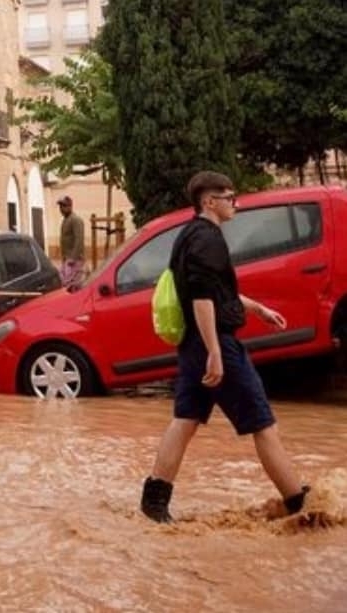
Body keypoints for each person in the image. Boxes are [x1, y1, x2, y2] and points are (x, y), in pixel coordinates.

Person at [140, 171, 309, 523]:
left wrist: (257, 308)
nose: (236, 203)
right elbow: (202, 299)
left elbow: (216, 290)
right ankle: (300, 506)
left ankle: (154, 502)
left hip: (193, 344)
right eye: (230, 197)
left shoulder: (187, 235)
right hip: (215, 344)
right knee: (263, 423)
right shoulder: (208, 238)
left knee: (184, 420)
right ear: (209, 201)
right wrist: (215, 351)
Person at [57, 195, 86, 287]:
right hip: (67, 259)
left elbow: (79, 239)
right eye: (60, 206)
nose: (61, 209)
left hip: (74, 260)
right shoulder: (66, 220)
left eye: (64, 206)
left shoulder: (75, 220)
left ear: (70, 206)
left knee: (72, 285)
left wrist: (73, 258)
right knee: (67, 284)